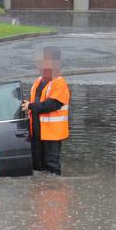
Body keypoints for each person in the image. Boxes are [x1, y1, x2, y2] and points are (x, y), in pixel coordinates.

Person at [21, 47, 70, 175]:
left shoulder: (60, 83)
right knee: (38, 166)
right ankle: (40, 191)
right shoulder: (38, 81)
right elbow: (35, 101)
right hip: (37, 130)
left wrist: (31, 106)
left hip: (52, 132)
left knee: (52, 165)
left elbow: (52, 104)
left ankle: (54, 192)